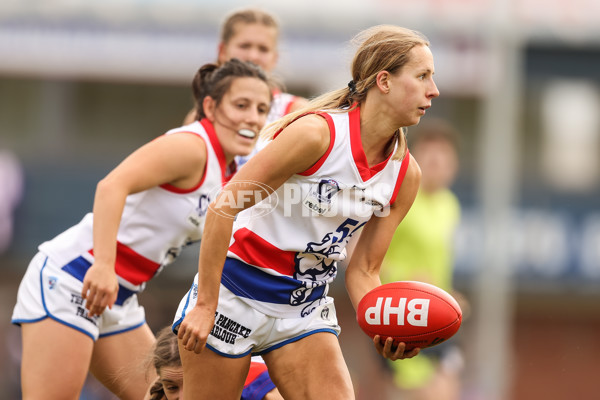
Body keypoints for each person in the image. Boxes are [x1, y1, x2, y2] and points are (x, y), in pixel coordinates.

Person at [173, 24, 440, 399]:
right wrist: (205, 304)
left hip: (303, 306)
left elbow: (364, 270)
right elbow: (223, 207)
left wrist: (384, 325)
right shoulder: (317, 135)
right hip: (233, 295)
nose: (434, 90)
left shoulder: (405, 174)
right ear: (384, 81)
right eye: (423, 76)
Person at [11, 58, 272, 400]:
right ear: (210, 106)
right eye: (241, 105)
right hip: (73, 279)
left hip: (119, 298)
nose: (252, 117)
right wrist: (103, 265)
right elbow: (111, 186)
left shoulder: (233, 169)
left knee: (165, 396)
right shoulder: (192, 147)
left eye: (262, 108)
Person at [380, 118, 466, 400]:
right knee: (428, 392)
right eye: (430, 155)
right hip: (404, 317)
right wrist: (404, 279)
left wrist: (448, 294)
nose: (437, 162)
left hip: (439, 318)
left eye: (445, 156)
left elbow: (437, 266)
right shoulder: (398, 199)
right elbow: (361, 260)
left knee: (449, 386)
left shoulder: (449, 205)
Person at [182, 8, 309, 165]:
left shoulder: (297, 113)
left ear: (275, 58)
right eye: (244, 46)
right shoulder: (200, 116)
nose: (252, 56)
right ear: (222, 51)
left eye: (263, 49)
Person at [148, 326, 282, 400]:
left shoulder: (257, 388)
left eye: (193, 384)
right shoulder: (161, 388)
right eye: (172, 388)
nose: (183, 398)